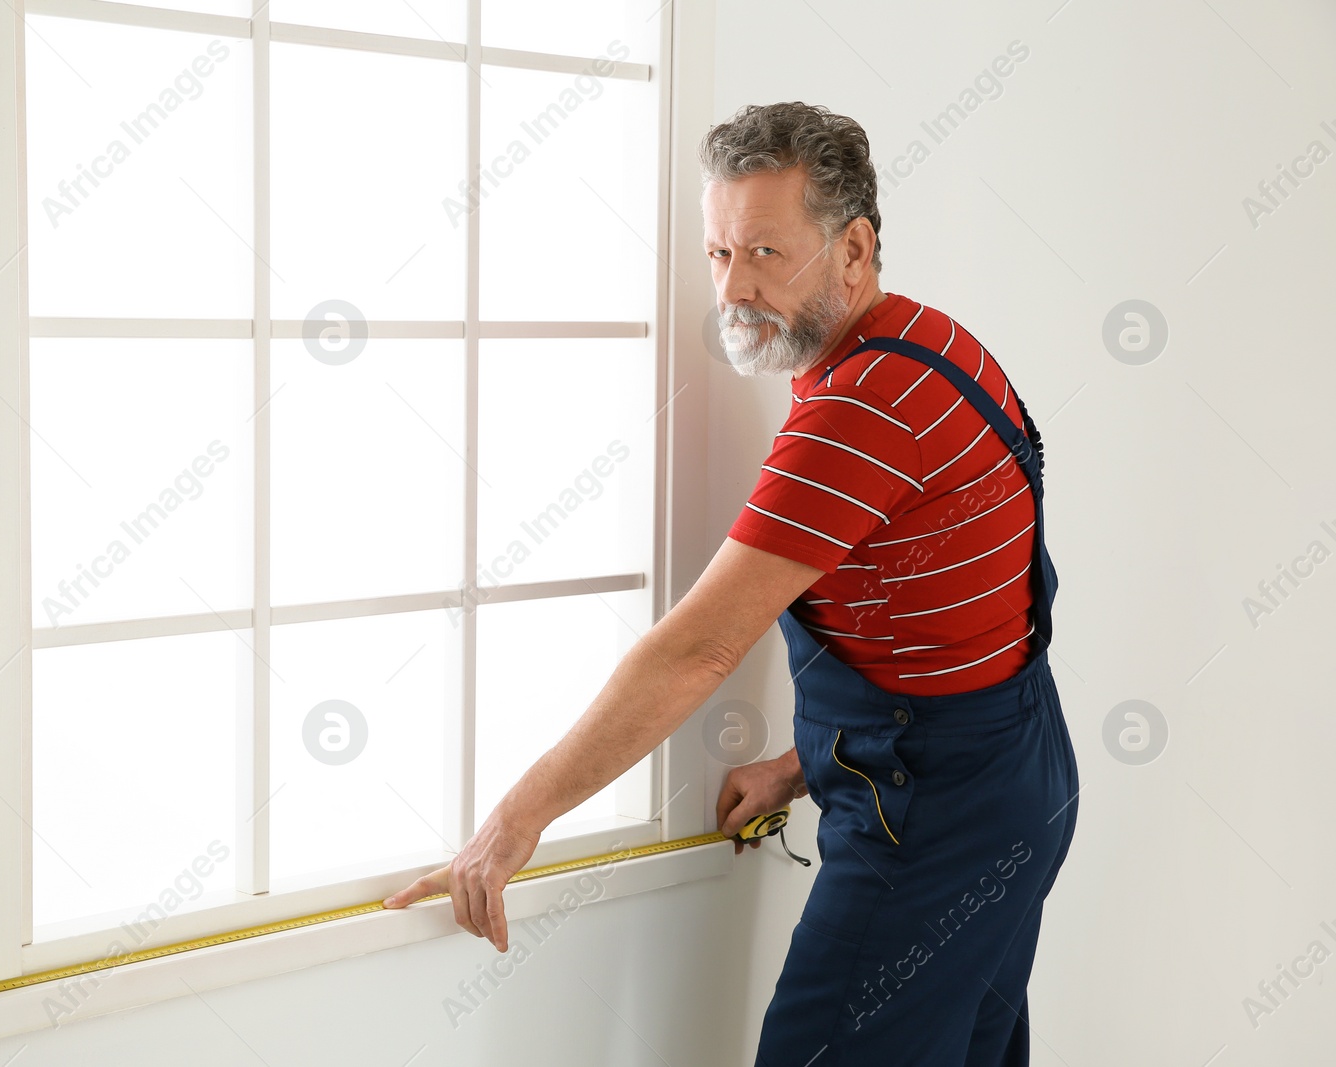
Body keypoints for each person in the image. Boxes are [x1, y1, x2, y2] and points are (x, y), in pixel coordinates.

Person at [384, 101, 1078, 1066]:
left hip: (937, 817)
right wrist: (805, 763)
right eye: (718, 254)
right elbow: (942, 614)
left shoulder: (857, 413)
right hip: (1019, 775)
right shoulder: (932, 344)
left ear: (854, 249)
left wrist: (513, 821)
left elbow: (697, 648)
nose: (734, 289)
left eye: (765, 253)